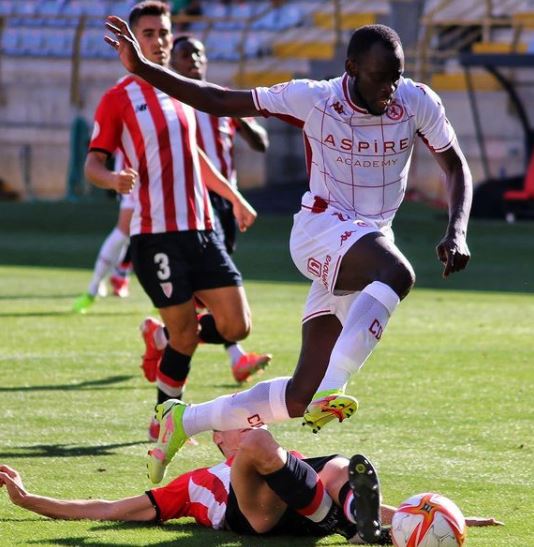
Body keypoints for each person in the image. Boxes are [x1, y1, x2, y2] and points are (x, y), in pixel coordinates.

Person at [105, 19, 473, 480]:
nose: (391, 89)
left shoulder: (416, 101)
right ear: (352, 68)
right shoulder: (313, 98)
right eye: (381, 78)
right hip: (321, 229)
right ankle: (334, 389)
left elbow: (456, 166)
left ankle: (183, 419)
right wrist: (142, 68)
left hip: (366, 244)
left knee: (300, 395)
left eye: (397, 77)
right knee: (397, 274)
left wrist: (456, 230)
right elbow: (219, 100)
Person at [86, 1, 260, 441]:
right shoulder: (118, 99)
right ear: (132, 40)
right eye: (149, 34)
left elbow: (194, 157)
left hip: (202, 230)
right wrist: (113, 179)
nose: (159, 41)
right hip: (156, 234)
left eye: (163, 33)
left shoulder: (180, 92)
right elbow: (93, 164)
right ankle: (166, 417)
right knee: (185, 334)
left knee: (237, 325)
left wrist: (234, 197)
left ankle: (159, 341)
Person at [0, 428, 502, 545]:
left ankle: (363, 529)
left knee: (340, 465)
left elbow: (334, 484)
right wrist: (31, 498)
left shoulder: (280, 455)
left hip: (310, 514)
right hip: (256, 518)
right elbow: (110, 508)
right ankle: (353, 521)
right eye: (233, 423)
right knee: (269, 451)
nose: (245, 421)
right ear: (220, 439)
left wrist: (419, 518)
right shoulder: (197, 482)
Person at [139, 34, 272, 387]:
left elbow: (261, 143)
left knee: (213, 291)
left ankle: (165, 338)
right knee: (209, 289)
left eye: (198, 53)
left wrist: (243, 120)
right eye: (185, 54)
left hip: (226, 203)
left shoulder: (221, 98)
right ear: (174, 63)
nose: (194, 59)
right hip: (193, 202)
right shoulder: (173, 101)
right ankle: (228, 356)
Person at [72, 152, 135, 313]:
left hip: (158, 171)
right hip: (133, 173)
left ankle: (119, 276)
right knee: (124, 231)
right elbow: (99, 154)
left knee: (144, 233)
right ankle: (94, 287)